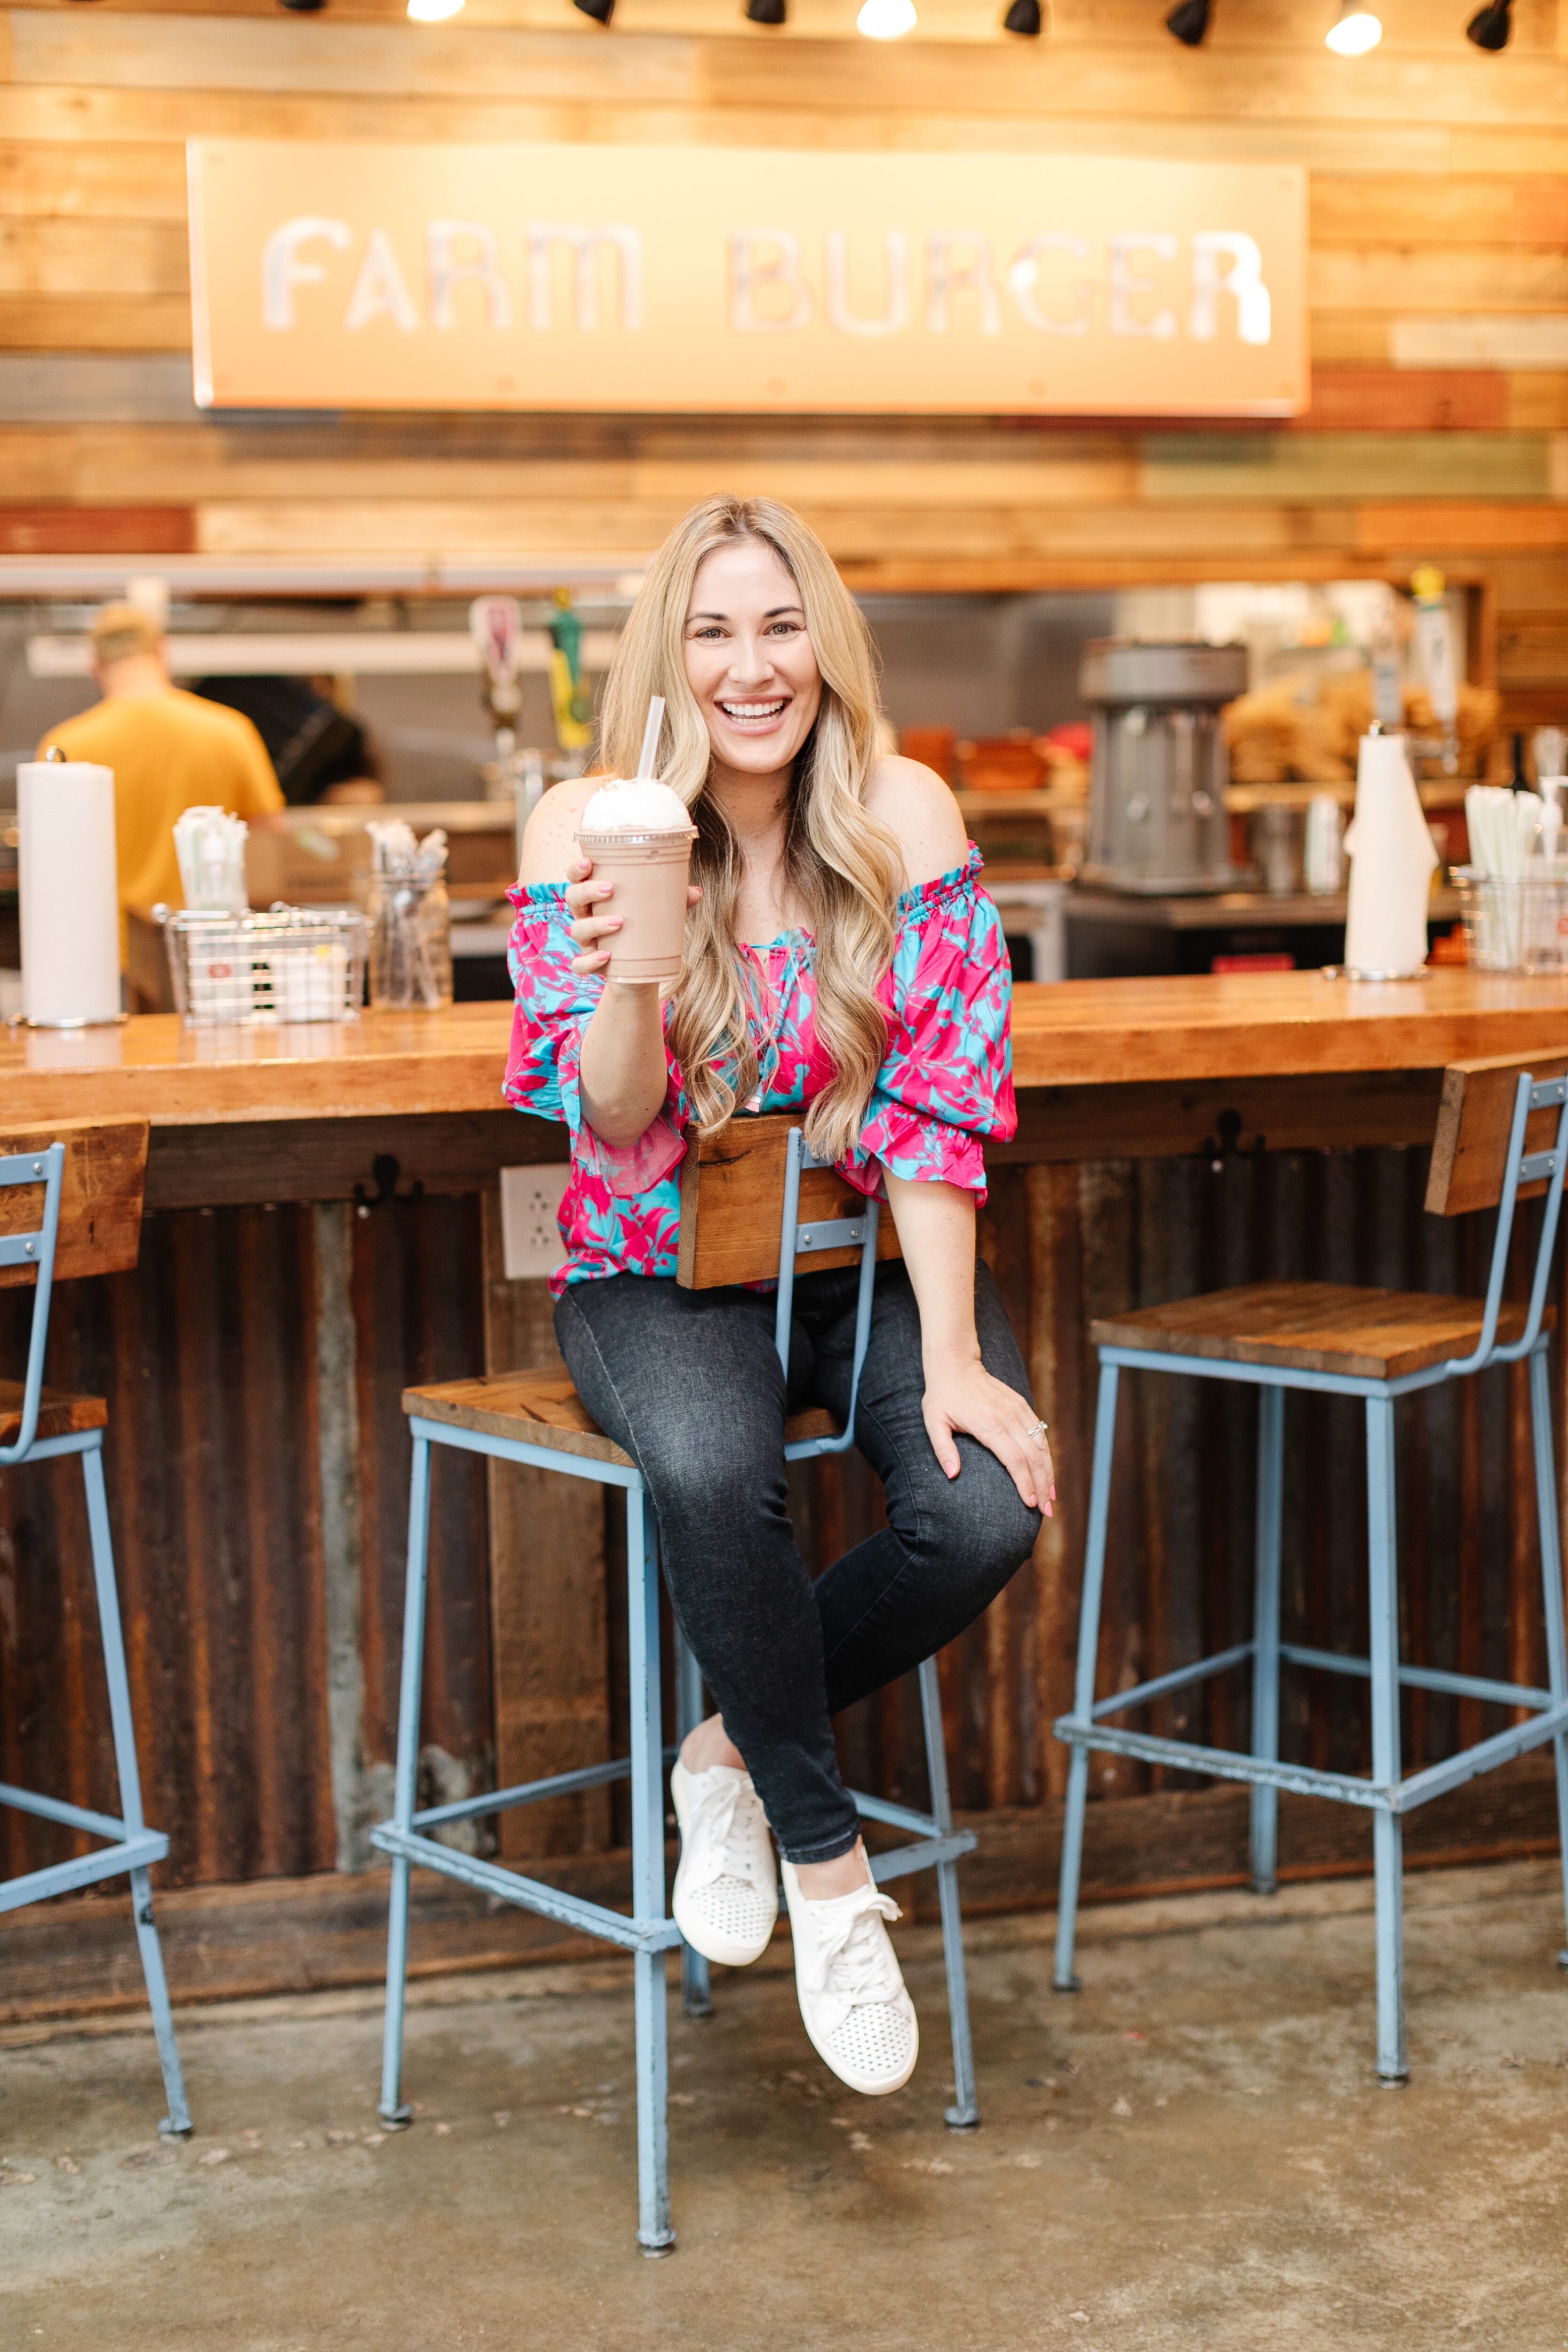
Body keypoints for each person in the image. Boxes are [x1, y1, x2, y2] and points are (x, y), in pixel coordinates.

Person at [508, 495, 1054, 2100]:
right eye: (711, 631)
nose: (751, 668)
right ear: (666, 657)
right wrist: (635, 942)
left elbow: (941, 1105)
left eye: (778, 624)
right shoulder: (583, 825)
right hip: (658, 1272)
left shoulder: (905, 810)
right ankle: (828, 1879)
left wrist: (951, 1355)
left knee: (981, 1512)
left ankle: (728, 1751)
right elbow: (608, 1119)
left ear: (824, 637)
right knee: (709, 1473)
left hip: (865, 1267)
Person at [39, 604, 283, 956]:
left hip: (109, 955)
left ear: (96, 667)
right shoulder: (229, 731)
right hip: (209, 948)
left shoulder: (65, 745)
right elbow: (267, 839)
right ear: (162, 651)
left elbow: (52, 862)